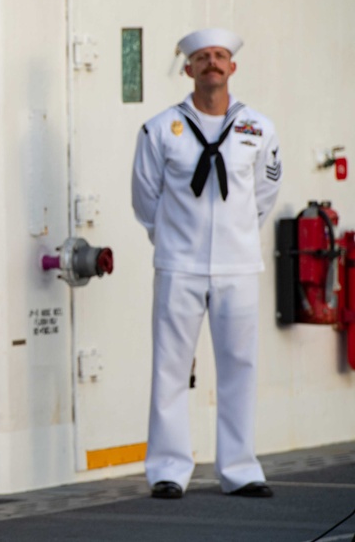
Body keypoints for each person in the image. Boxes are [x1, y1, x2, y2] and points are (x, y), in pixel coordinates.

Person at [132, 27, 282, 500]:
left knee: (240, 366)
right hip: (179, 264)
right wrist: (173, 239)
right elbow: (144, 197)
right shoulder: (160, 129)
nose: (212, 63)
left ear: (232, 67)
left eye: (220, 56)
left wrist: (237, 236)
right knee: (171, 367)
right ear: (188, 68)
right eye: (202, 57)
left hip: (238, 266)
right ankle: (168, 470)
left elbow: (265, 194)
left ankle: (240, 468)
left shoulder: (258, 128)